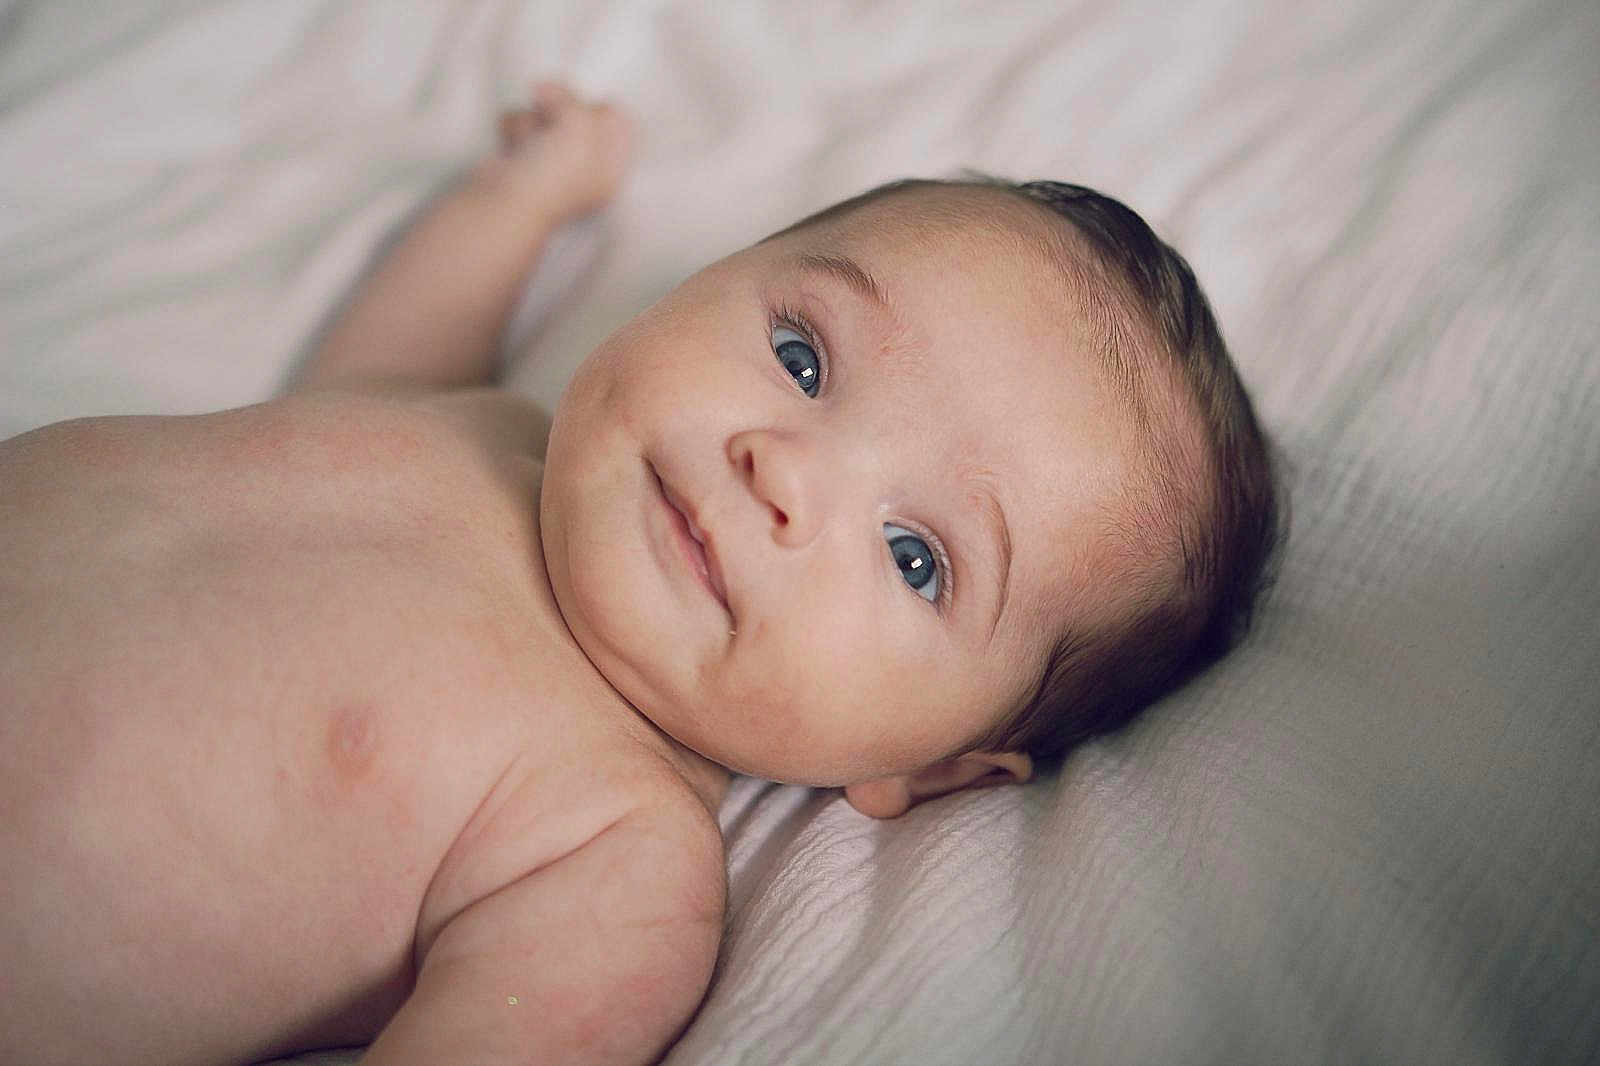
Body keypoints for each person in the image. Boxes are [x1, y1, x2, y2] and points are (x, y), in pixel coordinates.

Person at [0, 83, 1279, 1065]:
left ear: (936, 767)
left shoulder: (617, 863)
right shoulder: (490, 430)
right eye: (802, 356)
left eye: (915, 556)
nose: (784, 468)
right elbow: (380, 371)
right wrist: (517, 205)